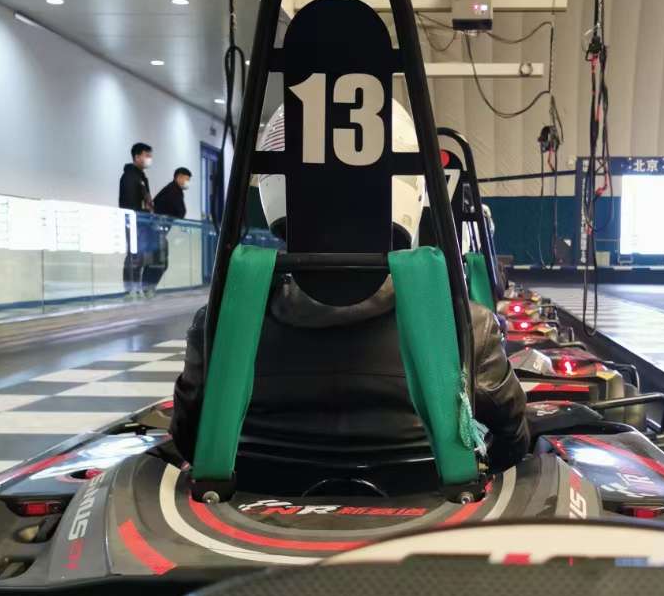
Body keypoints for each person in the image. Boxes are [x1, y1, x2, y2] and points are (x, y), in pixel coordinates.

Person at [171, 103, 529, 476]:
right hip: (427, 504)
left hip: (254, 503)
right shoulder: (465, 326)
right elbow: (512, 441)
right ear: (409, 188)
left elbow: (189, 440)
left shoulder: (221, 327)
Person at [142, 168, 193, 296]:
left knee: (158, 261)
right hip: (156, 230)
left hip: (157, 230)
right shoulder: (173, 191)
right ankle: (147, 288)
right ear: (179, 177)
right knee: (160, 262)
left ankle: (147, 288)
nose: (188, 182)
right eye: (187, 179)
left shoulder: (172, 190)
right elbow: (180, 211)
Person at [119, 142, 153, 298]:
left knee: (140, 256)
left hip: (143, 222)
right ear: (137, 157)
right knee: (133, 255)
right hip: (134, 222)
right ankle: (129, 290)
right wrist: (139, 217)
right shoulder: (129, 177)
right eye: (146, 155)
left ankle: (137, 288)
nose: (149, 158)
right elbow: (129, 203)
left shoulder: (141, 177)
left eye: (150, 155)